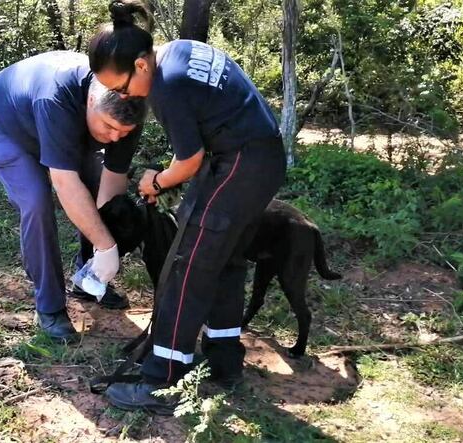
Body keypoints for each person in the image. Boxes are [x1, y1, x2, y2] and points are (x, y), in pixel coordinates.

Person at [88, 1, 287, 414]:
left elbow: (189, 161)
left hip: (238, 164)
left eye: (122, 86)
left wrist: (156, 180)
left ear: (141, 65)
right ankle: (224, 362)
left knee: (188, 264)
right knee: (224, 258)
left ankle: (163, 381)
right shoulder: (178, 49)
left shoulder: (167, 86)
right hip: (258, 158)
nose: (123, 96)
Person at [0, 50, 147, 343]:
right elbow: (64, 182)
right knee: (36, 200)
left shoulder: (128, 112)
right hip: (0, 125)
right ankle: (49, 307)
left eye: (122, 133)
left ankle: (88, 281)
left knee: (97, 186)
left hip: (50, 123)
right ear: (90, 101)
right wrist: (104, 243)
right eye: (109, 127)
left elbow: (111, 187)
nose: (114, 138)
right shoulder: (56, 99)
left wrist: (104, 251)